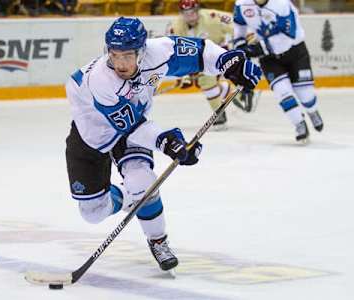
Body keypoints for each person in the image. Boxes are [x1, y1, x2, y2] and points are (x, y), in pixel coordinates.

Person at [65, 17, 261, 272]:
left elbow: (202, 52)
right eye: (114, 55)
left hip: (132, 130)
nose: (120, 63)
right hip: (92, 135)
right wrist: (168, 143)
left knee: (142, 181)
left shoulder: (159, 51)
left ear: (141, 51)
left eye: (126, 56)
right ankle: (131, 197)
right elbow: (132, 126)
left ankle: (158, 240)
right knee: (92, 212)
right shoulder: (100, 81)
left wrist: (229, 62)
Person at [233, 0, 324, 143]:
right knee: (282, 92)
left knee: (305, 95)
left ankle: (312, 110)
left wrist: (257, 48)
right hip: (269, 59)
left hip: (295, 52)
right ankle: (299, 123)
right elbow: (239, 23)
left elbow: (289, 35)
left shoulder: (282, 4)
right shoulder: (242, 4)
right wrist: (240, 46)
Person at [167, 0, 259, 130]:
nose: (189, 16)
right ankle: (230, 96)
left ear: (198, 9)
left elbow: (237, 25)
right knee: (205, 82)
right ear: (181, 13)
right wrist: (183, 75)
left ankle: (225, 107)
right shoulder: (175, 26)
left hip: (221, 54)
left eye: (192, 12)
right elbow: (174, 52)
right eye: (185, 13)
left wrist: (249, 38)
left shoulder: (214, 16)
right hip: (197, 60)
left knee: (206, 81)